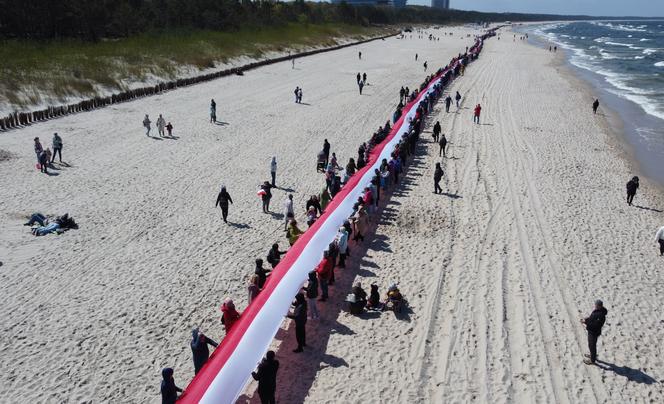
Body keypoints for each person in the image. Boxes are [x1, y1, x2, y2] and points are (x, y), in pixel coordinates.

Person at [581, 300, 608, 365]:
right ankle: (592, 355)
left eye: (596, 305)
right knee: (591, 345)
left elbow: (596, 326)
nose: (595, 306)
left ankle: (592, 360)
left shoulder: (601, 315)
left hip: (594, 332)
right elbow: (592, 318)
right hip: (591, 331)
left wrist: (586, 323)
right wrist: (587, 319)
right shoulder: (597, 311)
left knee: (592, 346)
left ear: (599, 306)